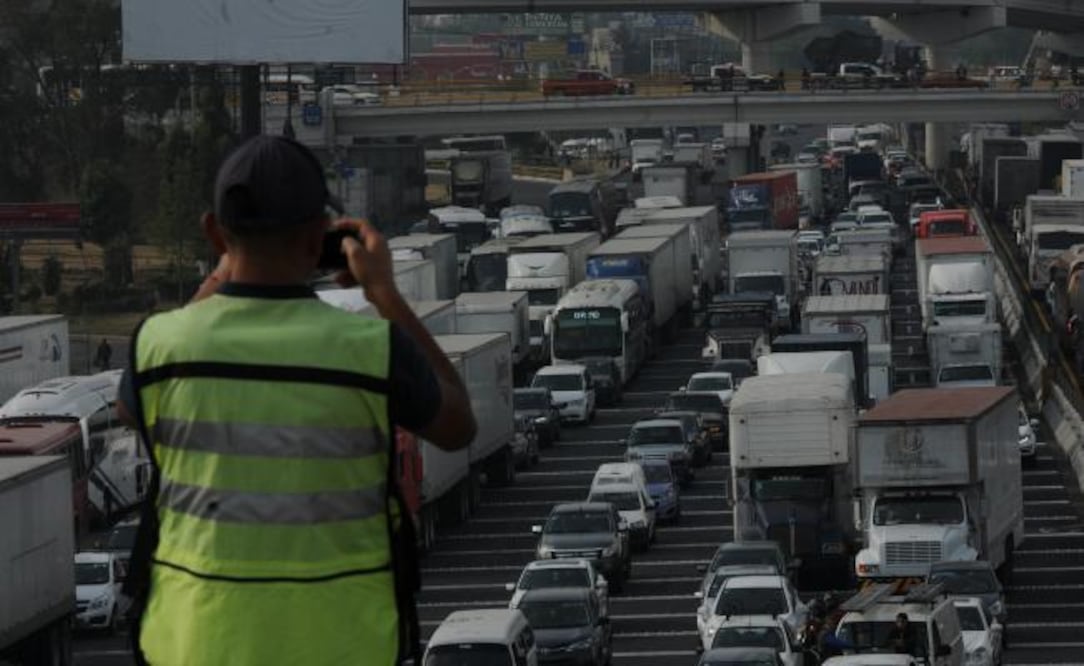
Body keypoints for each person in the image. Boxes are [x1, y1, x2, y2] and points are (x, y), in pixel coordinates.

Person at [117, 135, 477, 666]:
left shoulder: (160, 347)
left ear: (214, 232)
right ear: (319, 238)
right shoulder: (371, 350)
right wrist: (384, 294)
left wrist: (225, 266)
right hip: (342, 647)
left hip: (193, 646)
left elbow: (129, 407)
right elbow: (457, 426)